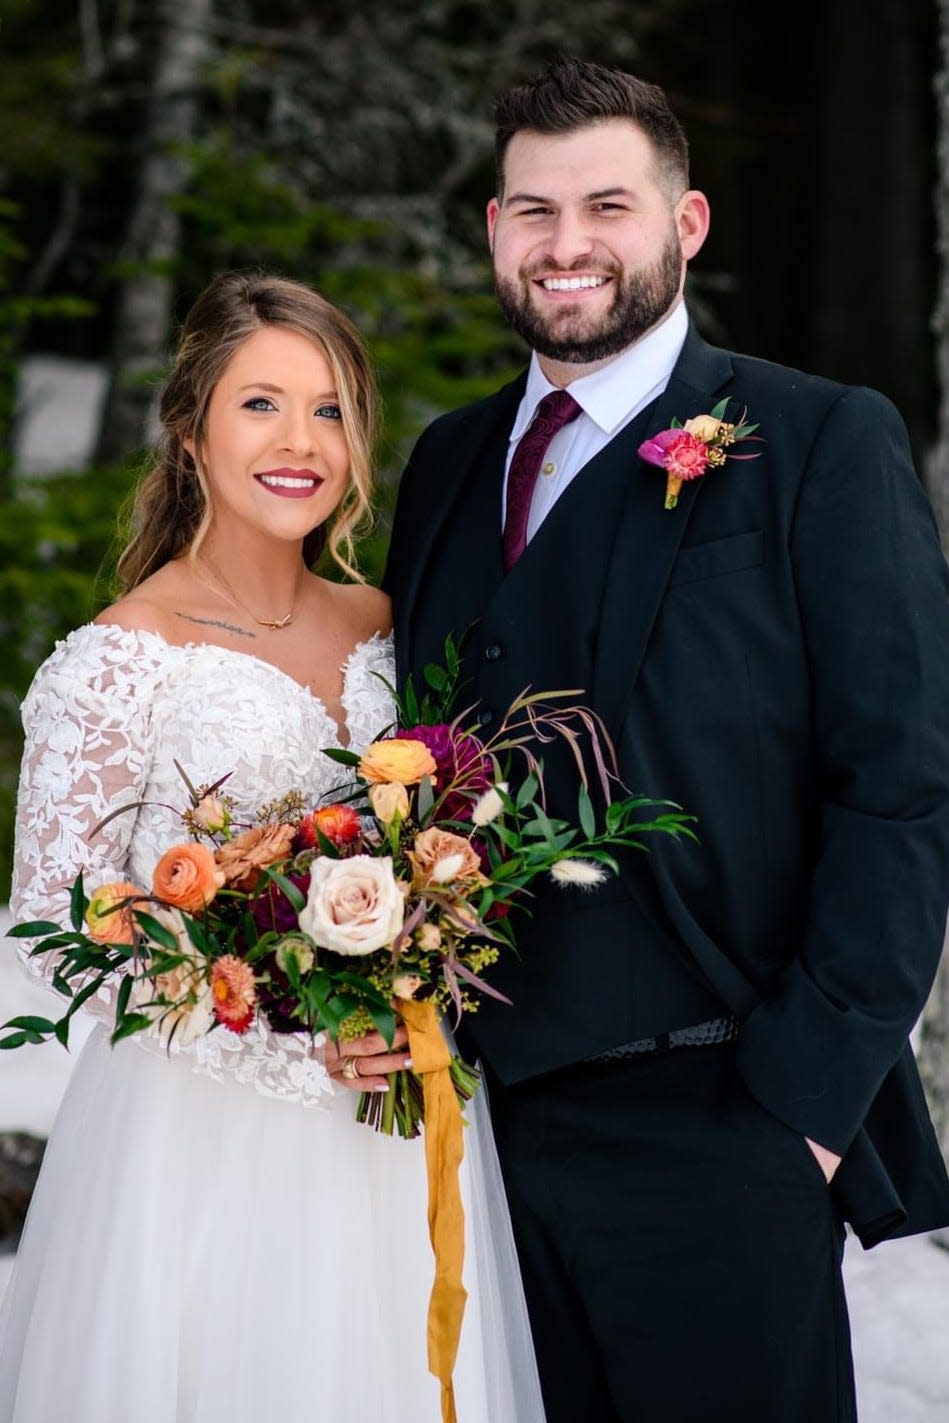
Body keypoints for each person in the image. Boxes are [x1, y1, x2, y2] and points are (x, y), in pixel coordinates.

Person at [383, 56, 949, 1423]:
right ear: (493, 230)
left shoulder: (816, 440)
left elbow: (904, 786)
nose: (566, 243)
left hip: (724, 1114)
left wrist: (800, 1111)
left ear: (683, 226)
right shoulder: (448, 463)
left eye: (606, 205)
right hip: (480, 1135)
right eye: (531, 209)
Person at [0, 271, 547, 1422]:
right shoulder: (119, 658)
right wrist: (298, 1034)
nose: (301, 441)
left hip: (395, 1135)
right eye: (261, 404)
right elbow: (58, 929)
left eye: (331, 408)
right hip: (199, 1150)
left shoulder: (388, 622)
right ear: (190, 428)